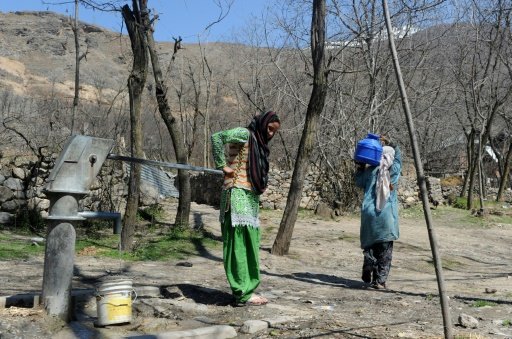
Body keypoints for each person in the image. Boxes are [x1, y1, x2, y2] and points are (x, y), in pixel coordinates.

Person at [211, 111, 281, 306]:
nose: (271, 134)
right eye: (269, 129)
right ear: (262, 124)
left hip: (249, 197)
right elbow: (217, 137)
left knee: (250, 244)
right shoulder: (244, 134)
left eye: (275, 131)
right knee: (238, 244)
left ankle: (248, 288)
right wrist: (222, 165)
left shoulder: (259, 144)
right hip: (236, 195)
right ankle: (242, 292)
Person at [355, 136, 401, 289]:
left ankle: (369, 261)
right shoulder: (392, 172)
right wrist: (391, 143)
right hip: (385, 216)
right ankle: (380, 281)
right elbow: (398, 158)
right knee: (385, 251)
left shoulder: (369, 171)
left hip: (368, 214)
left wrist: (360, 166)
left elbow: (358, 181)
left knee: (371, 245)